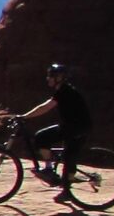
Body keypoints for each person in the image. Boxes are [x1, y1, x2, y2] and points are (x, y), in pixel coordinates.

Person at [22, 61, 91, 195]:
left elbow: (46, 107)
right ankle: (50, 169)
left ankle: (66, 190)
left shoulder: (65, 91)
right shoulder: (62, 90)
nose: (48, 78)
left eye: (50, 76)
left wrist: (25, 116)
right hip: (69, 126)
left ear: (59, 78)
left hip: (79, 128)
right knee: (41, 137)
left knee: (69, 157)